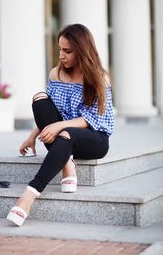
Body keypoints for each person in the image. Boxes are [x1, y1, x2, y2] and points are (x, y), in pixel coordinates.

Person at [7, 23, 114, 226]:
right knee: (40, 98)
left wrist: (59, 126)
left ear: (82, 51)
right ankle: (67, 163)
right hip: (64, 136)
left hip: (94, 138)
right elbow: (51, 112)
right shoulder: (55, 74)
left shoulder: (99, 77)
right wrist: (32, 136)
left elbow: (93, 119)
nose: (61, 56)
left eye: (67, 51)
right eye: (60, 49)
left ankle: (28, 197)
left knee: (66, 134)